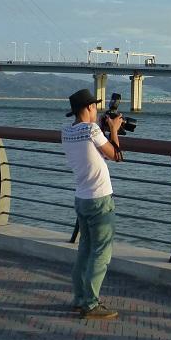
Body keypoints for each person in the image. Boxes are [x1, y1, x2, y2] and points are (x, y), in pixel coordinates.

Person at [61, 88, 124, 320]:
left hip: (82, 198)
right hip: (100, 199)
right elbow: (116, 155)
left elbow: (95, 150)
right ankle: (90, 304)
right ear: (89, 107)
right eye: (95, 106)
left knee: (85, 250)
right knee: (101, 253)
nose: (97, 110)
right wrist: (114, 129)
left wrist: (103, 129)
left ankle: (80, 299)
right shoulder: (92, 130)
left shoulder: (67, 132)